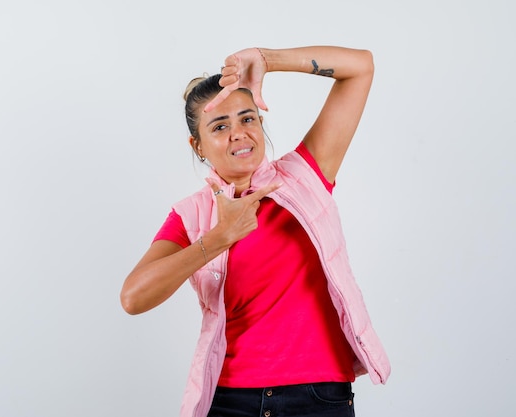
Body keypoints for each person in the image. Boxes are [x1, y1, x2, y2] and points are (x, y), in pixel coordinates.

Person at [120, 45, 391, 417]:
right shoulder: (192, 215)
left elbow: (360, 67)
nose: (238, 134)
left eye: (247, 119)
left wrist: (268, 61)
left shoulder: (304, 176)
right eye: (219, 126)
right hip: (231, 400)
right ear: (196, 145)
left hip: (318, 396)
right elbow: (133, 298)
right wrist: (219, 237)